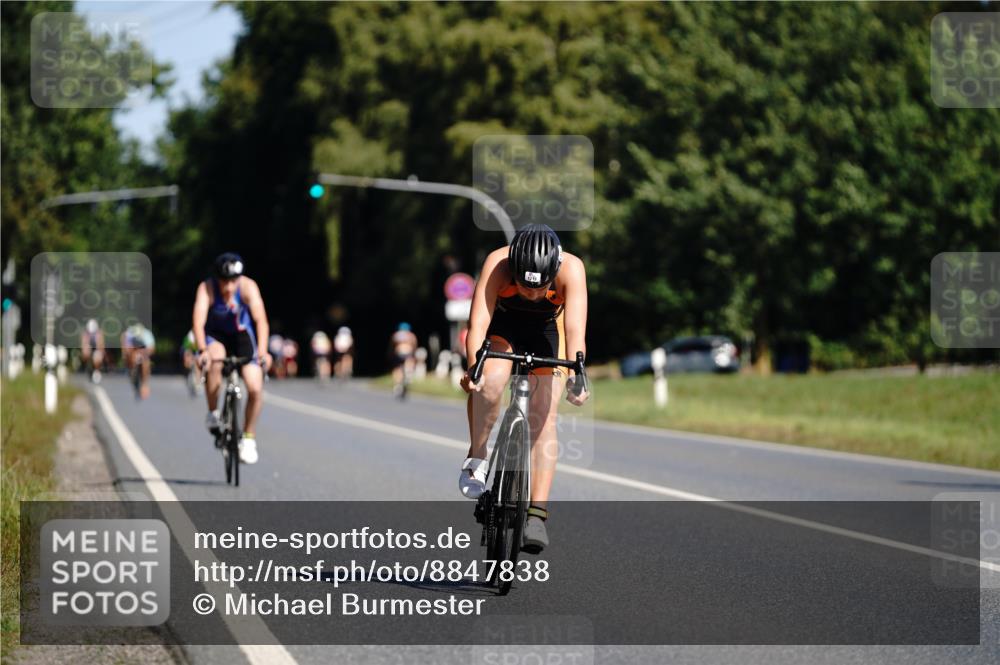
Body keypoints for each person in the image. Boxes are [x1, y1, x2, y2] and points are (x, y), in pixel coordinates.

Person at [458, 224, 589, 554]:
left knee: (543, 414)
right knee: (490, 383)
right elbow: (478, 325)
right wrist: (474, 370)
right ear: (513, 269)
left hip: (547, 332)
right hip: (504, 327)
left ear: (553, 271)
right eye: (523, 285)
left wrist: (578, 376)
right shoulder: (497, 264)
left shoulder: (572, 269)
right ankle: (477, 455)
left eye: (539, 287)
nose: (531, 294)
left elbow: (575, 331)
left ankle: (536, 515)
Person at [192, 252, 272, 465]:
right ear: (216, 278)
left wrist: (263, 351)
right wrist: (202, 350)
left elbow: (261, 321)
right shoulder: (207, 288)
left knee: (255, 387)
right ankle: (213, 412)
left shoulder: (248, 287)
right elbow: (198, 321)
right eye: (224, 281)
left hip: (241, 336)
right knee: (215, 359)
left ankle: (249, 438)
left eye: (233, 281)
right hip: (215, 336)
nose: (228, 287)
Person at [121, 322, 156, 399]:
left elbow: (152, 349)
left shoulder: (147, 334)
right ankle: (131, 372)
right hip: (133, 353)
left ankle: (144, 383)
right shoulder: (129, 335)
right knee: (131, 360)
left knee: (146, 363)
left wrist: (143, 353)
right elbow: (126, 349)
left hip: (143, 353)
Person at [389, 322, 417, 397]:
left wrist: (391, 353)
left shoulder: (396, 335)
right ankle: (408, 375)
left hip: (398, 353)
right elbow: (414, 345)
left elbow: (392, 345)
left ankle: (397, 385)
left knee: (398, 369)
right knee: (409, 363)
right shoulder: (411, 335)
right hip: (408, 352)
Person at [80, 318, 105, 383]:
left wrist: (100, 353)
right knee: (86, 354)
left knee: (97, 358)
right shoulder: (85, 334)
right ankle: (88, 367)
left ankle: (97, 371)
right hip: (89, 349)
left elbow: (101, 345)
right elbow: (83, 344)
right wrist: (85, 352)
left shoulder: (99, 333)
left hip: (96, 349)